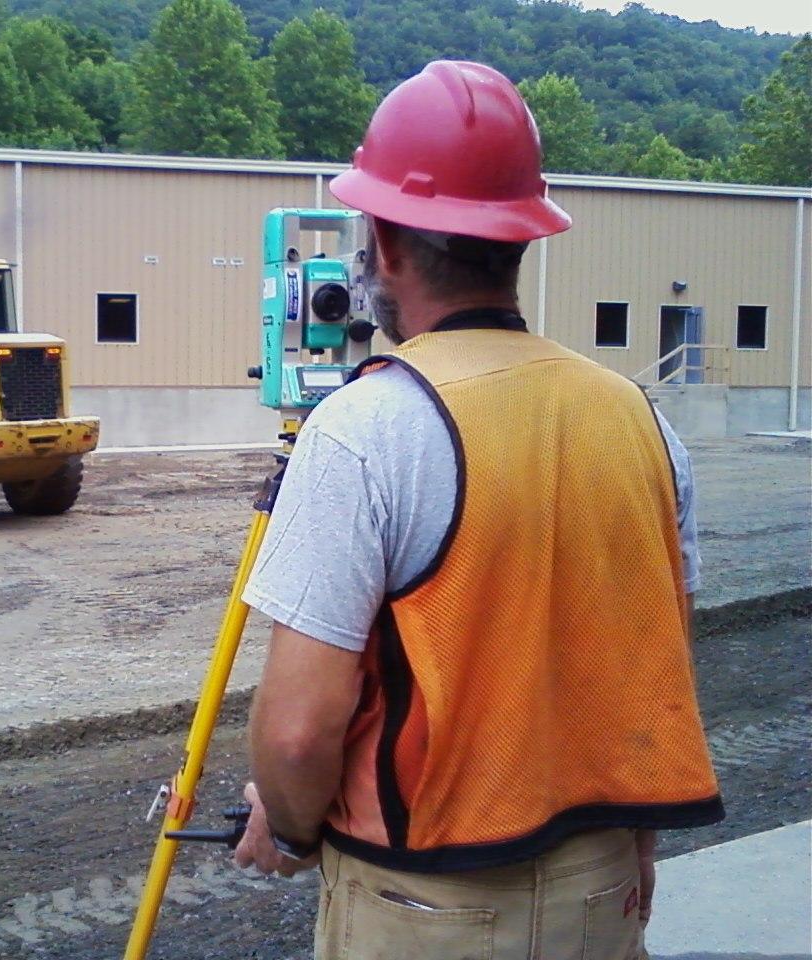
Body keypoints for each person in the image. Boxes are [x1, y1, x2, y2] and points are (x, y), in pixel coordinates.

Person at [233, 60, 722, 960]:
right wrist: (637, 837)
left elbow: (300, 731)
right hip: (602, 889)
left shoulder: (365, 427)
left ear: (380, 242)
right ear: (521, 238)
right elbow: (651, 667)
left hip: (423, 907)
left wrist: (292, 829)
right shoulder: (641, 420)